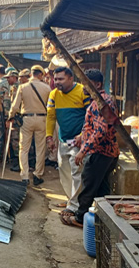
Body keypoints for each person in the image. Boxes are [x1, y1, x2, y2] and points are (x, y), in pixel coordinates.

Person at [60, 69, 119, 227]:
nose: (82, 86)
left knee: (89, 184)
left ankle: (80, 218)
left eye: (86, 83)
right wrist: (82, 137)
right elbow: (94, 127)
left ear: (97, 84)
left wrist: (82, 151)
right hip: (106, 152)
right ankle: (105, 219)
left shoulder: (103, 102)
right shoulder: (98, 101)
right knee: (101, 187)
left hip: (101, 152)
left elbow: (101, 131)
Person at [46, 66, 90, 217]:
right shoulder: (53, 94)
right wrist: (49, 137)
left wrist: (82, 134)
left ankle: (75, 205)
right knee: (64, 171)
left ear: (71, 78)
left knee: (77, 172)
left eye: (61, 79)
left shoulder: (82, 91)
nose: (57, 82)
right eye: (55, 79)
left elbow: (90, 117)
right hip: (63, 140)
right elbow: (51, 117)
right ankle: (70, 199)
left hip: (78, 141)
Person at [8, 65, 51, 185]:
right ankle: (37, 174)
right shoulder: (47, 88)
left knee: (24, 148)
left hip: (26, 119)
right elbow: (51, 106)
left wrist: (10, 116)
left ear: (31, 74)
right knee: (40, 148)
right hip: (42, 119)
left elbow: (15, 106)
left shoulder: (22, 87)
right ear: (41, 75)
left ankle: (25, 176)